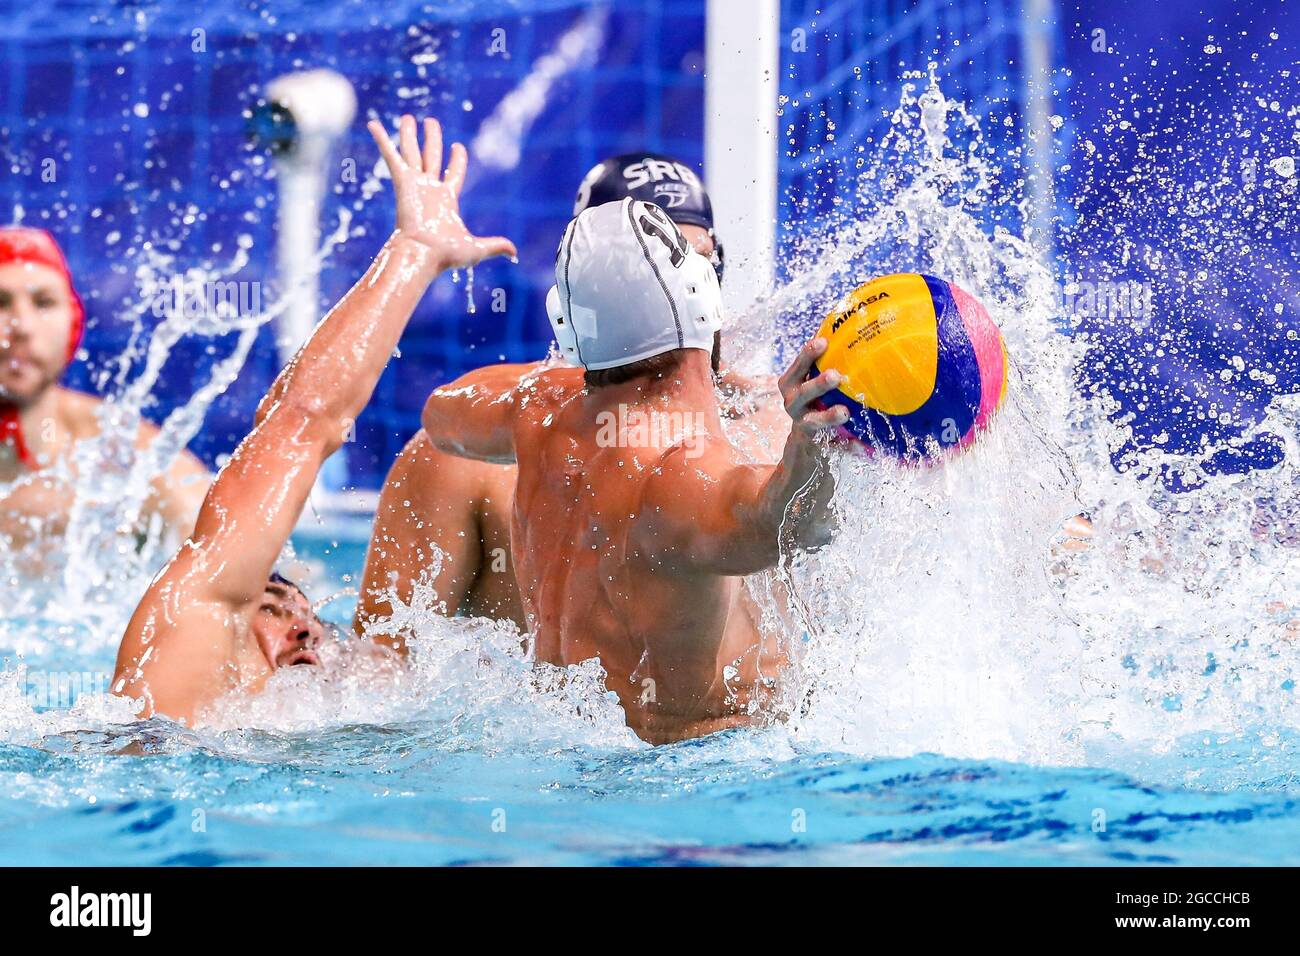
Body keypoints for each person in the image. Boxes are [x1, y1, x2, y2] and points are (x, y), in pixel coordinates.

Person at [112, 115, 516, 725]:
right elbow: (297, 422)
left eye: (307, 615)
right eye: (271, 608)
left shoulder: (338, 721)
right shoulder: (184, 648)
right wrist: (415, 250)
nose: (303, 629)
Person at [420, 197, 846, 744]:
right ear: (704, 298)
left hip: (556, 755)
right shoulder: (678, 471)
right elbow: (791, 525)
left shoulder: (539, 412)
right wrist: (810, 443)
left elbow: (441, 411)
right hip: (688, 782)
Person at [354, 152, 785, 647]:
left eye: (693, 268)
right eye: (644, 277)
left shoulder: (782, 424)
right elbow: (377, 675)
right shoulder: (463, 460)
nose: (676, 296)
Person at [0, 228, 210, 551]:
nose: (22, 327)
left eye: (43, 303)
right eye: (0, 303)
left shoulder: (124, 456)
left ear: (73, 321)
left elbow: (234, 562)